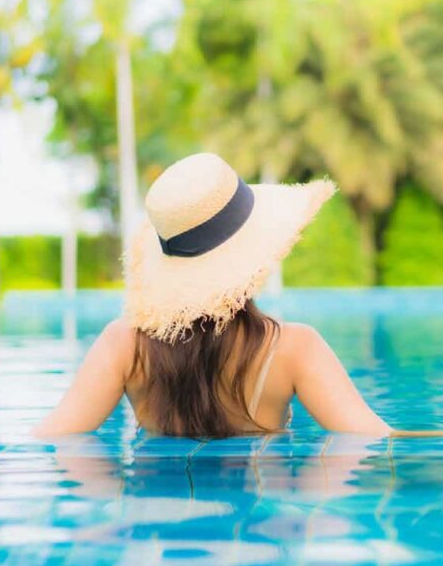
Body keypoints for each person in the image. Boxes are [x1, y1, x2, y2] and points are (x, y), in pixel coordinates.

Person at [33, 152, 392, 438]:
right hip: (261, 520)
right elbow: (371, 439)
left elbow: (53, 438)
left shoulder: (124, 345)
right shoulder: (295, 348)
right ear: (255, 259)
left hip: (156, 522)